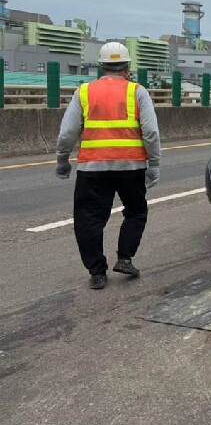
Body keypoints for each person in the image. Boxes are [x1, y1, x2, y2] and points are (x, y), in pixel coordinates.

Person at [55, 42, 161, 289]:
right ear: (127, 66)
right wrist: (154, 164)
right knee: (136, 212)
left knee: (88, 219)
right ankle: (125, 258)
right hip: (131, 166)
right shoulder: (138, 91)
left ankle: (97, 273)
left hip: (92, 168)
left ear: (101, 66)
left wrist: (62, 160)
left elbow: (67, 132)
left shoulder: (84, 92)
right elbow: (151, 133)